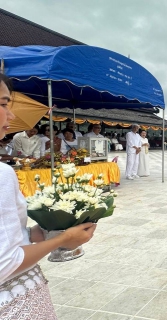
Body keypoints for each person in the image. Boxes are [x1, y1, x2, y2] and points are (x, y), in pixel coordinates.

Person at [0, 73, 97, 319]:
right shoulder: (2, 174)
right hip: (15, 302)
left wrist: (41, 233)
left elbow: (10, 237)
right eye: (3, 104)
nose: (11, 116)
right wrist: (60, 239)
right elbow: (5, 263)